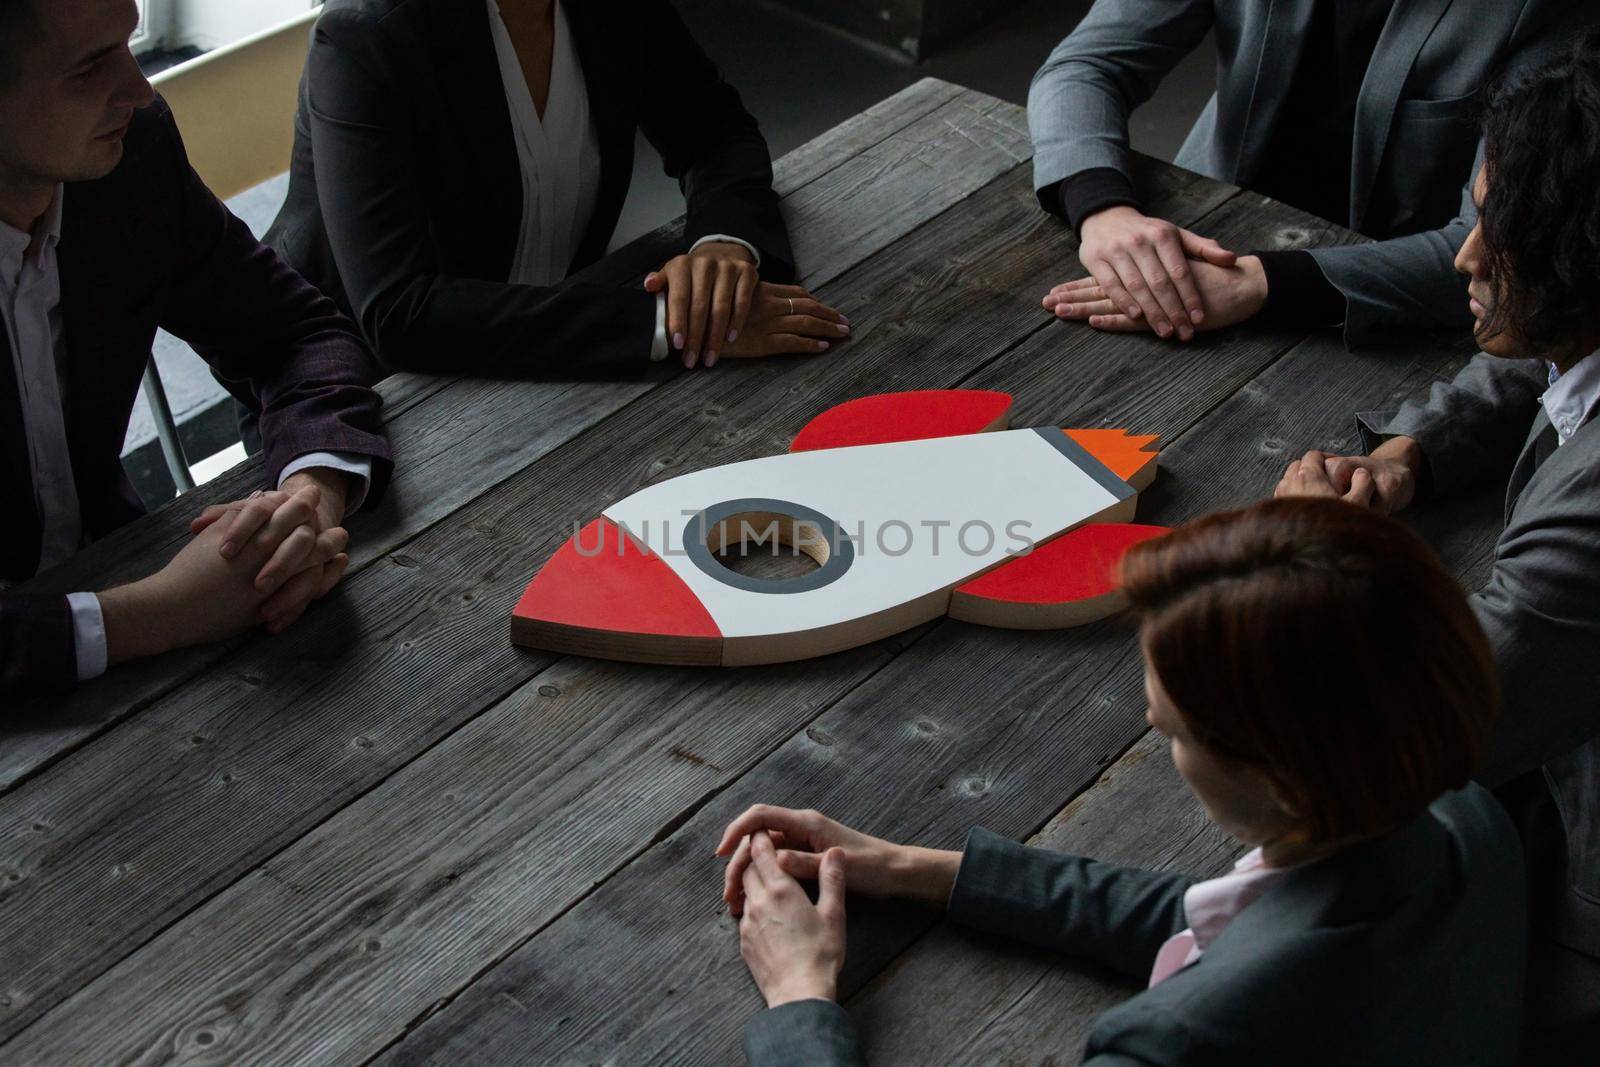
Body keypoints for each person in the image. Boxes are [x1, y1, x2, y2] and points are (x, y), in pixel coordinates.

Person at [716, 499, 1525, 1065]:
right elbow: (1235, 920)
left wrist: (800, 1001)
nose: (1151, 728)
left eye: (1174, 728)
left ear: (1281, 780)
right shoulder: (1465, 819)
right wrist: (910, 866)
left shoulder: (1176, 1044)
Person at [1276, 34, 1600, 1056]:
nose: (1461, 253)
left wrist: (1304, 557)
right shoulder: (1577, 311)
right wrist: (1409, 456)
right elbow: (1542, 360)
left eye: (1495, 230)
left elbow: (1424, 722)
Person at [1, 0, 393, 699]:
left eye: (128, 42)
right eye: (92, 65)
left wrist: (305, 501)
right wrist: (158, 613)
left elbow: (298, 333)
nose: (141, 86)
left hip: (138, 634)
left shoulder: (129, 160)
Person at [265, 0, 848, 378]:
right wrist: (667, 322)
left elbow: (714, 130)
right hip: (348, 386)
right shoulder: (364, 37)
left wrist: (723, 245)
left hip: (544, 345)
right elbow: (401, 313)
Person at [1028, 0, 1595, 347]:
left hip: (1383, 297)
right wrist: (1105, 209)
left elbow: (1500, 248)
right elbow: (1088, 63)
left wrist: (1261, 285)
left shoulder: (1543, 8)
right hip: (1199, 232)